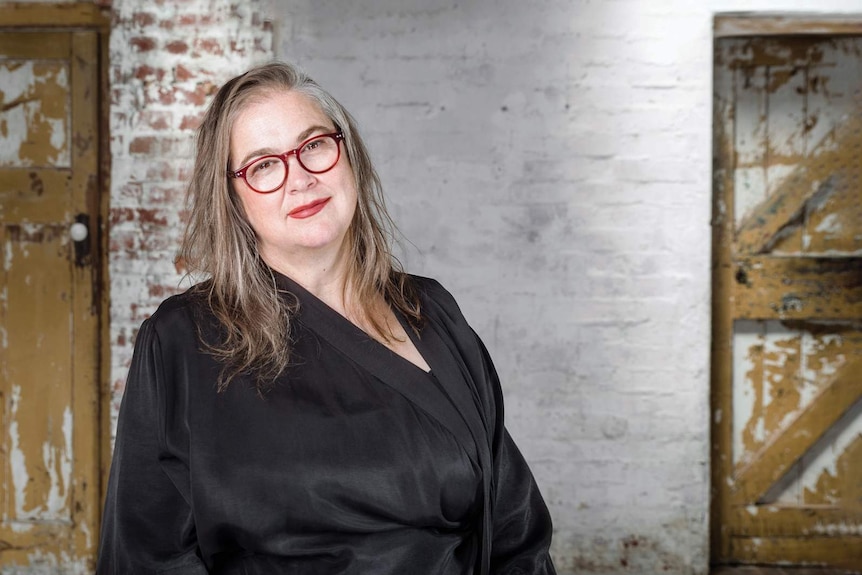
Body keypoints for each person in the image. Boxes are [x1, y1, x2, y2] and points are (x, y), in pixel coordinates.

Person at [97, 61, 556, 575]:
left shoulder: (433, 313)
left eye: (313, 145)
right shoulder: (182, 340)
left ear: (348, 155)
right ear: (232, 198)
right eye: (264, 165)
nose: (300, 179)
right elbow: (145, 558)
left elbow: (516, 533)